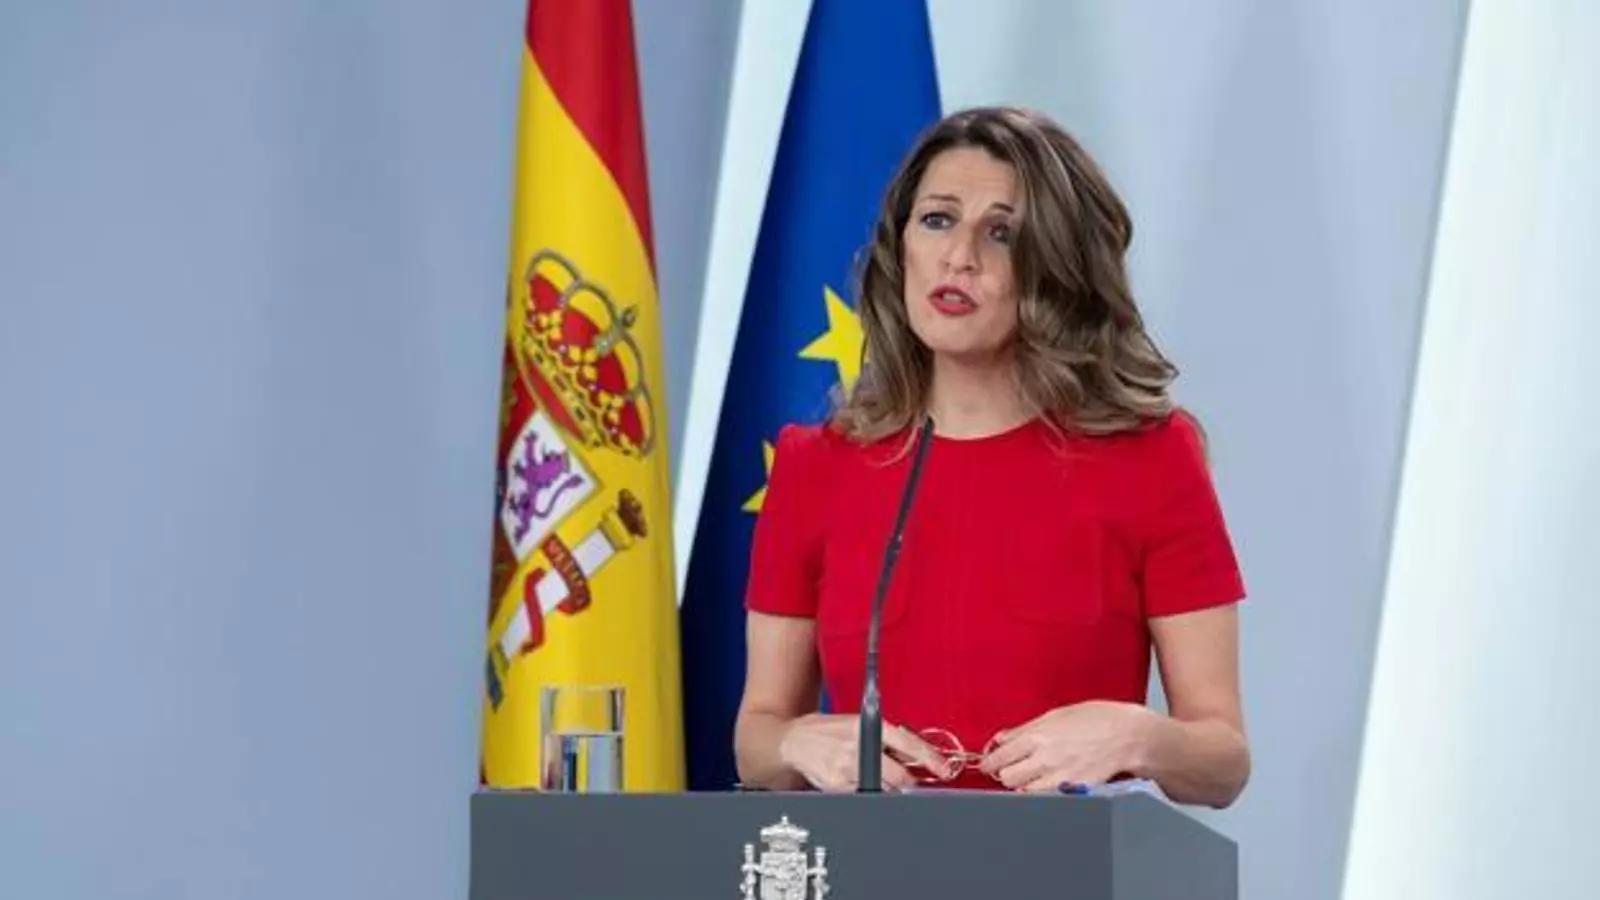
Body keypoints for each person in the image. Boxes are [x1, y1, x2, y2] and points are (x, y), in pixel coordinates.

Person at [731, 105, 1249, 807]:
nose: (959, 257)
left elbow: (1223, 762)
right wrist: (797, 742)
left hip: (1066, 856)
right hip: (871, 857)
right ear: (900, 247)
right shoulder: (815, 467)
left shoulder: (1151, 457)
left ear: (1058, 268)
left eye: (1001, 232)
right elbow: (758, 738)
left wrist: (1141, 738)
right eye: (937, 220)